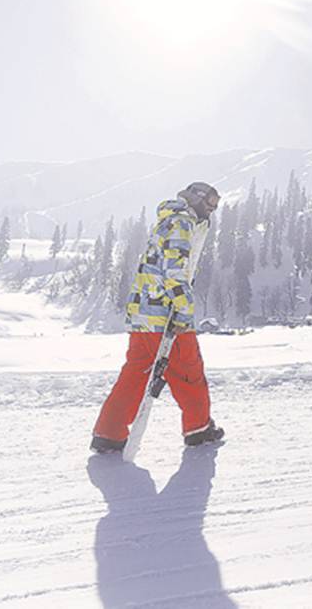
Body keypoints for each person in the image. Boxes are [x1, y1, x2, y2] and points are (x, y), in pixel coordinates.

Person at [91, 182, 225, 454]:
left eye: (216, 203)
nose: (212, 208)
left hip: (143, 313)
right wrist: (184, 308)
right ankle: (198, 428)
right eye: (210, 201)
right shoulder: (182, 223)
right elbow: (173, 271)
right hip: (165, 313)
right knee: (189, 371)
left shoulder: (169, 221)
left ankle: (109, 432)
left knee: (136, 373)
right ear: (196, 199)